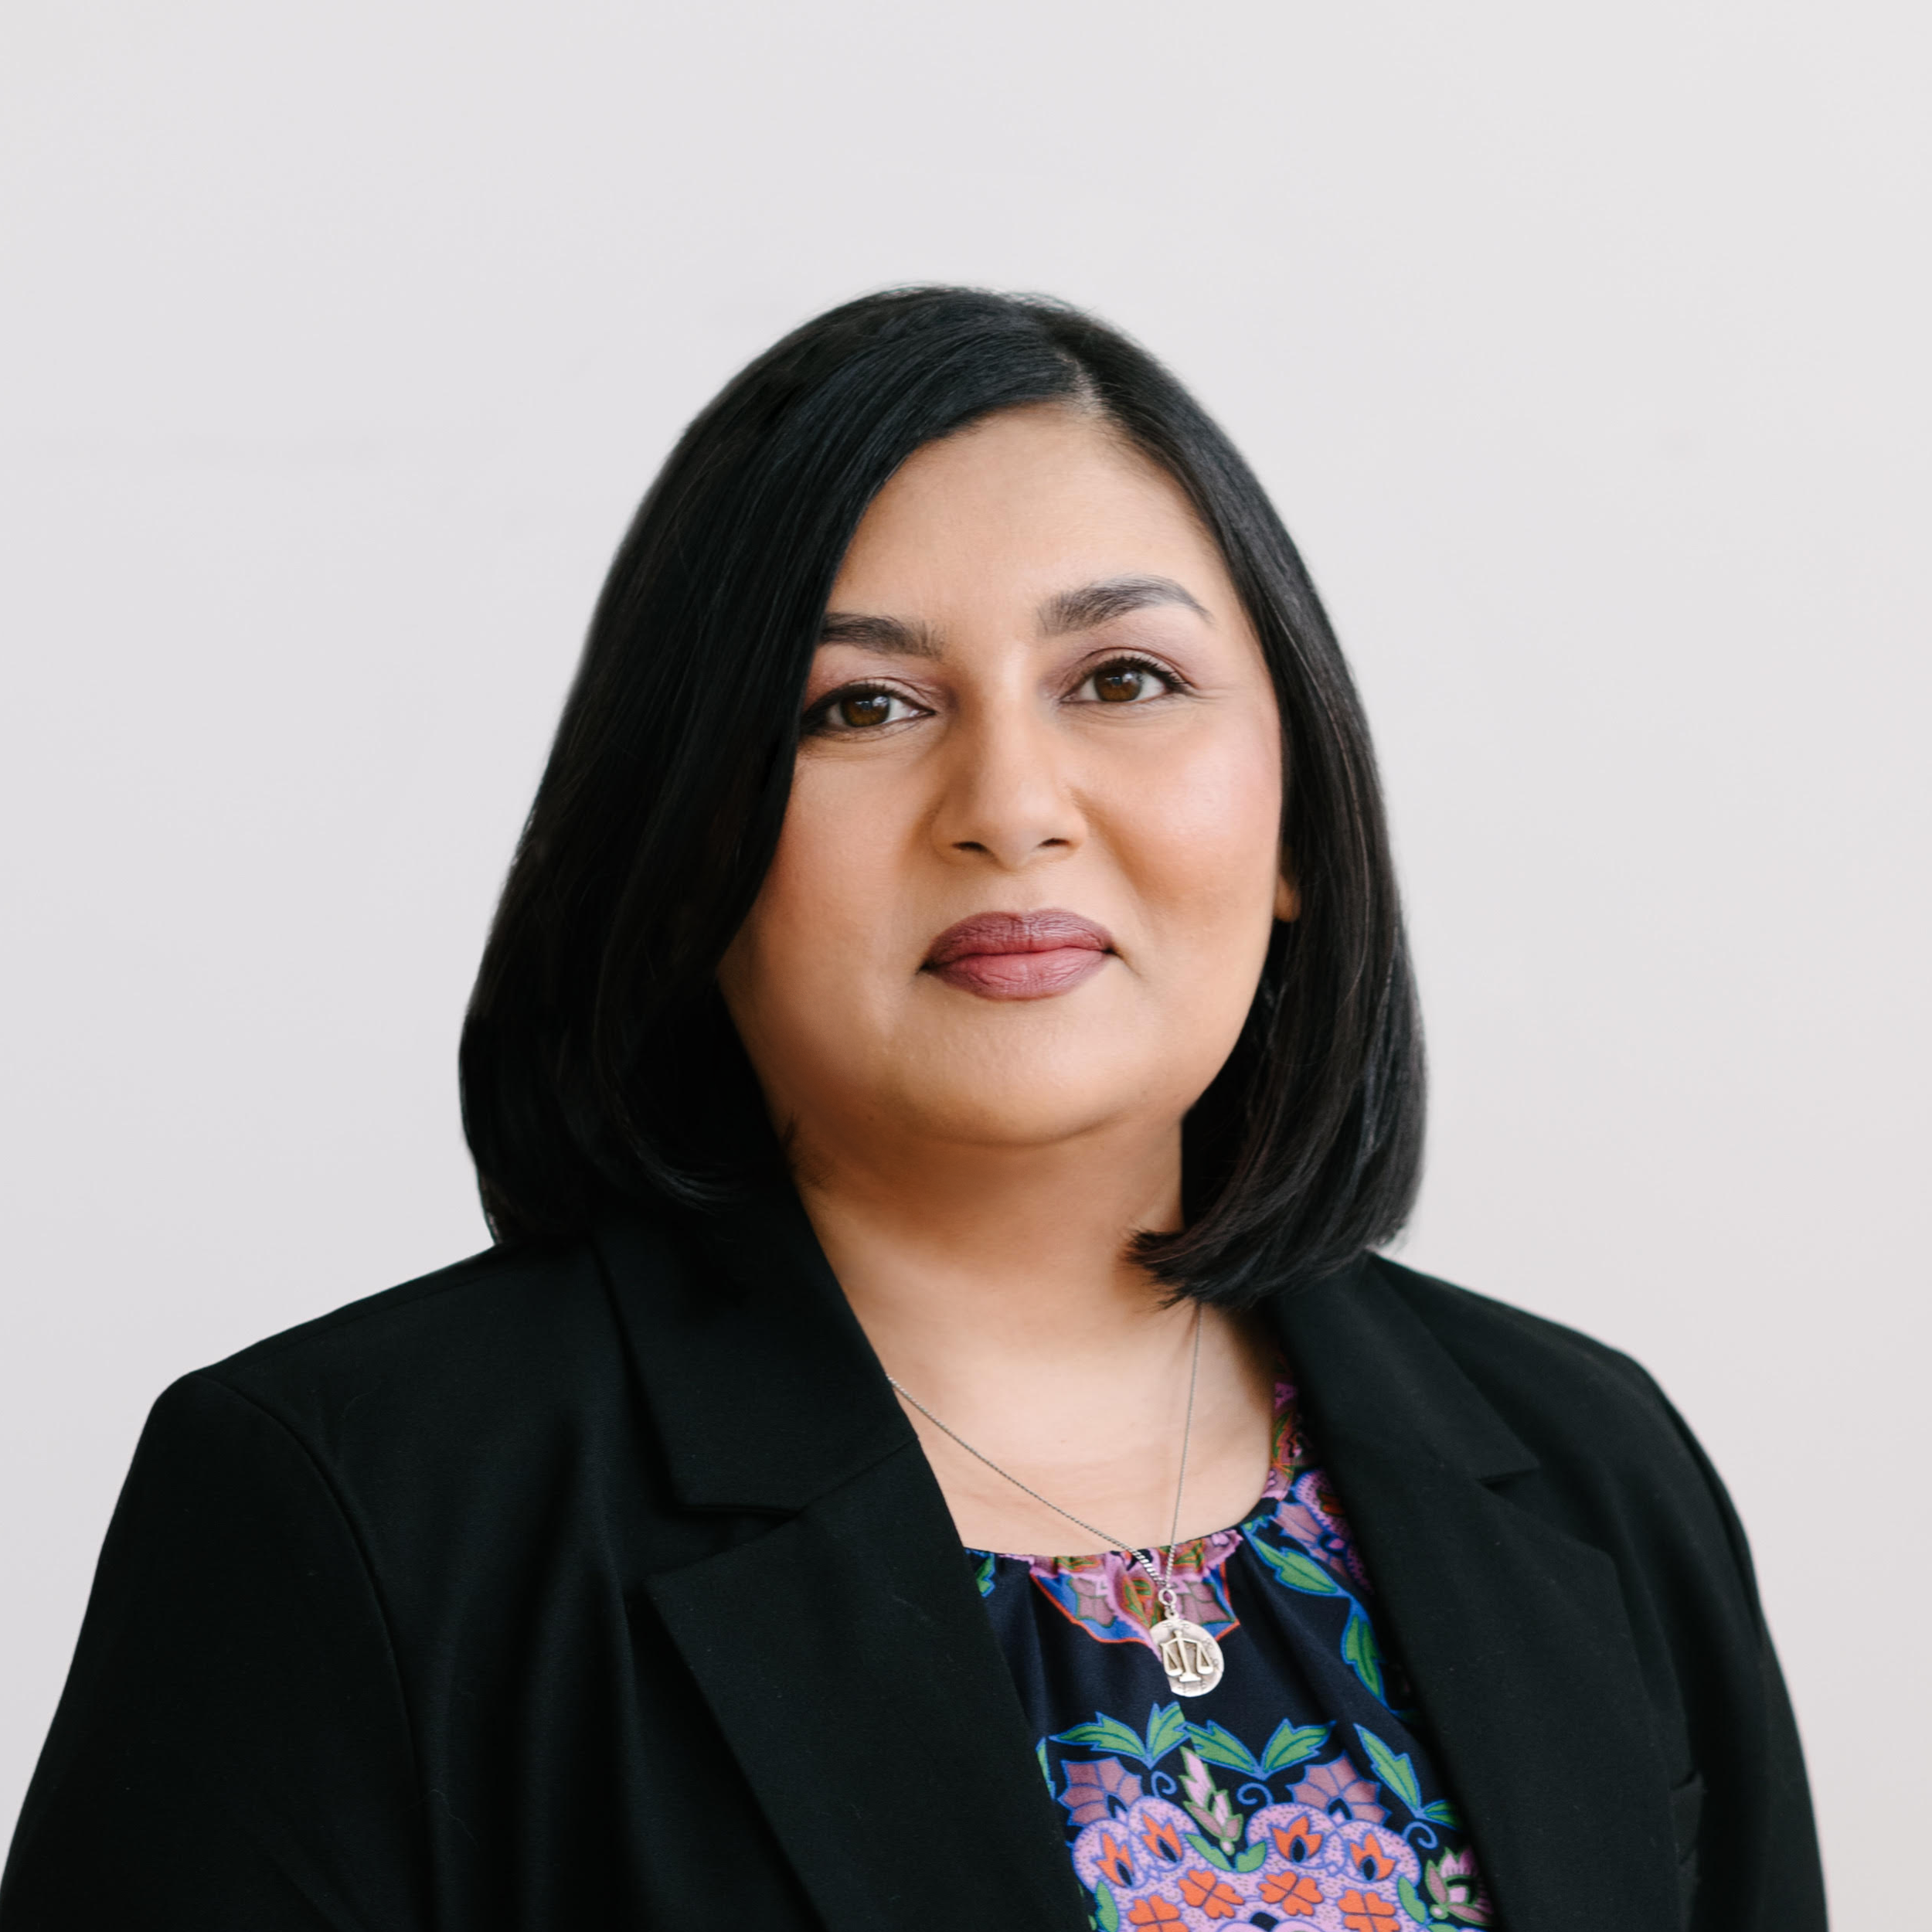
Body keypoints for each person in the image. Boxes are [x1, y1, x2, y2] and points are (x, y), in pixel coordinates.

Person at [0, 290, 1823, 1932]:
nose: (1010, 803)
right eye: (859, 704)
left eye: (1122, 679)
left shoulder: (1585, 1462)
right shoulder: (355, 1513)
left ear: (1294, 823)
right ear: (690, 838)